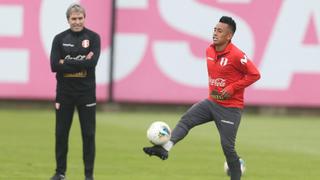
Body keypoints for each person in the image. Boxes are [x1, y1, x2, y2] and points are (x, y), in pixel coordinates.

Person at [143, 16, 260, 180]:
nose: (215, 33)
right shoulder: (209, 50)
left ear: (229, 36)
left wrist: (232, 88)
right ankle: (164, 149)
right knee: (186, 120)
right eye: (215, 29)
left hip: (230, 109)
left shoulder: (236, 55)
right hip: (211, 102)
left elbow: (255, 74)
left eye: (220, 31)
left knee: (227, 148)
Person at [49, 3, 101, 180]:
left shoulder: (93, 38)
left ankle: (89, 176)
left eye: (80, 18)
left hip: (86, 93)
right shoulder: (59, 39)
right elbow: (54, 65)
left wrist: (66, 62)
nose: (77, 22)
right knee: (61, 133)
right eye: (74, 19)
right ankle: (60, 173)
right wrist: (79, 62)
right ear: (68, 20)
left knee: (88, 134)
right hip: (64, 94)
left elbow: (91, 64)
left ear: (84, 18)